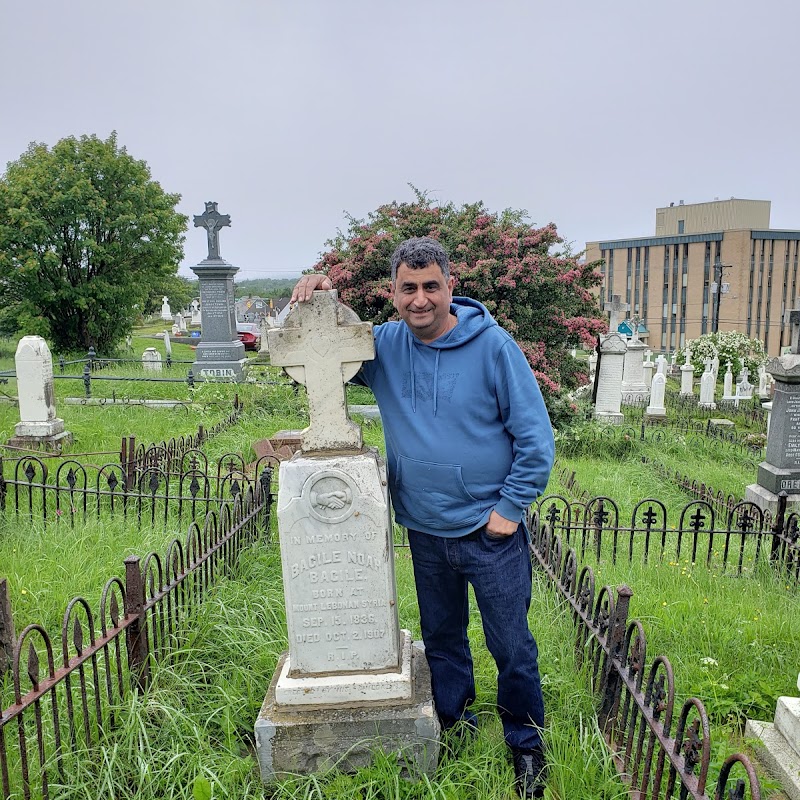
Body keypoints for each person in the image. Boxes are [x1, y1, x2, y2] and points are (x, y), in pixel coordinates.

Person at [291, 236, 554, 798]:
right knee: (442, 639)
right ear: (392, 293)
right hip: (425, 528)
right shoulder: (384, 346)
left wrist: (508, 511)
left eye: (430, 286)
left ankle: (526, 745)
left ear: (450, 287)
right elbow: (326, 349)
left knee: (510, 643)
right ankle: (456, 727)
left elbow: (536, 440)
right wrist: (317, 294)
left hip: (490, 530)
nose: (419, 299)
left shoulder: (494, 348)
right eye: (407, 288)